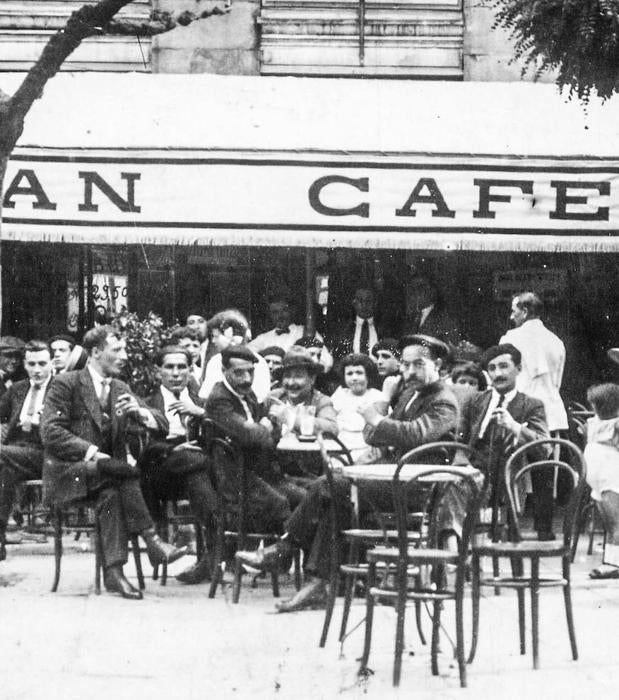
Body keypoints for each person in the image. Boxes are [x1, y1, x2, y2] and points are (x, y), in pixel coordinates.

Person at [237, 335, 459, 612]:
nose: (409, 372)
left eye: (418, 365)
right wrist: (384, 408)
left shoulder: (444, 400)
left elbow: (415, 435)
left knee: (331, 485)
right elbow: (372, 436)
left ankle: (285, 550)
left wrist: (378, 419)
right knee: (333, 493)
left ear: (438, 364)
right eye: (406, 365)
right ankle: (319, 581)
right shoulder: (410, 394)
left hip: (418, 488)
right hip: (393, 479)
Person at [41, 326, 187, 600]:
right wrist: (94, 453)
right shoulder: (67, 383)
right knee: (121, 471)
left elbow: (163, 424)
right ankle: (152, 541)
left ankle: (114, 574)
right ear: (96, 352)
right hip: (69, 472)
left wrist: (141, 413)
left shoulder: (120, 387)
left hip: (108, 477)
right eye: (117, 350)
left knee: (111, 492)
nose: (124, 356)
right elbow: (51, 432)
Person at [457, 343, 552, 539]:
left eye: (503, 366)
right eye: (492, 368)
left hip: (508, 476)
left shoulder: (532, 405)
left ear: (518, 369)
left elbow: (544, 448)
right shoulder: (474, 401)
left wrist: (514, 426)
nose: (497, 373)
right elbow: (460, 440)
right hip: (474, 472)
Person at [141, 346, 219, 585]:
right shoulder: (146, 402)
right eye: (169, 367)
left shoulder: (202, 402)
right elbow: (141, 449)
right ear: (158, 371)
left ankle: (209, 559)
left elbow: (222, 430)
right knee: (195, 461)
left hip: (196, 473)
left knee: (196, 472)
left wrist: (201, 414)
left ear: (190, 370)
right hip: (163, 473)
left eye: (181, 367)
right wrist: (173, 449)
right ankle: (216, 551)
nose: (176, 373)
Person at [204, 344, 291, 535]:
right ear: (223, 371)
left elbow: (267, 437)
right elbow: (253, 435)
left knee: (306, 497)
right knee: (281, 503)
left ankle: (280, 560)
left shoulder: (247, 394)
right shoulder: (220, 400)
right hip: (235, 480)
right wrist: (268, 424)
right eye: (239, 373)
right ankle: (274, 558)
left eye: (251, 372)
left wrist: (266, 427)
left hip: (258, 473)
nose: (247, 379)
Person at [0, 340, 53, 560]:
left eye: (42, 363)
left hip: (45, 451)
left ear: (51, 363)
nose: (37, 370)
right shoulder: (18, 389)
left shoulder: (62, 388)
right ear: (25, 364)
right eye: (31, 364)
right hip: (14, 452)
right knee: (4, 471)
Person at [500, 292, 568, 434]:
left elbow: (504, 380)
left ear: (524, 312)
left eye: (513, 311)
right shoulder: (556, 341)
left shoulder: (510, 339)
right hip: (553, 415)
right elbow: (557, 383)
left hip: (521, 416)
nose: (511, 317)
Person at [583, 383, 619, 579]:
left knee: (612, 522)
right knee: (616, 522)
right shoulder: (613, 425)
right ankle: (613, 562)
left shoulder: (593, 423)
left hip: (601, 476)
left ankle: (613, 561)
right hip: (609, 475)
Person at [199, 312, 271, 402]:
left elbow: (261, 398)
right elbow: (205, 395)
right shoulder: (215, 361)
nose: (213, 341)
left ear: (231, 336)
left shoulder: (259, 362)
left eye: (216, 336)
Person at [250, 295, 333, 371]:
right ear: (270, 315)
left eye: (284, 310)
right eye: (275, 312)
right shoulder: (264, 338)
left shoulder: (306, 332)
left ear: (291, 311)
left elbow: (327, 360)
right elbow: (246, 352)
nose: (280, 316)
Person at [330, 353, 384, 463]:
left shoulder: (377, 396)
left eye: (359, 373)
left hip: (366, 450)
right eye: (349, 374)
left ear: (368, 375)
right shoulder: (340, 394)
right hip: (340, 448)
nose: (354, 378)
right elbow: (330, 420)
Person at [401, 275, 462, 347]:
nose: (415, 292)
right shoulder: (410, 318)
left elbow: (452, 349)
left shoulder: (445, 318)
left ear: (432, 291)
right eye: (412, 288)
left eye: (420, 287)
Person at [330, 287, 384, 360]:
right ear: (354, 303)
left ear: (375, 303)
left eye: (368, 301)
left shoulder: (383, 329)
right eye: (360, 301)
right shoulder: (344, 330)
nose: (364, 306)